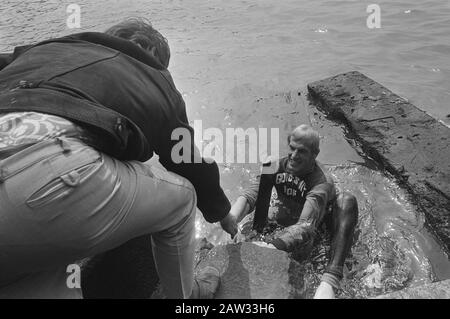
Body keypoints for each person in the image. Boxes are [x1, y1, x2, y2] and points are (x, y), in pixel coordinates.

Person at [0, 18, 237, 298]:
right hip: (50, 171)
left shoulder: (45, 49)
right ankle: (187, 298)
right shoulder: (151, 73)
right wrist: (222, 212)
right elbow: (184, 156)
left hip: (17, 205)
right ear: (146, 48)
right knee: (183, 199)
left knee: (40, 279)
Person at [227, 124, 358, 299]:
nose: (294, 156)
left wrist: (269, 246)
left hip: (317, 223)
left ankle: (331, 280)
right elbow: (251, 195)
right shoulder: (275, 165)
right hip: (288, 219)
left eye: (302, 151)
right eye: (292, 148)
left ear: (315, 154)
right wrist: (232, 218)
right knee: (255, 228)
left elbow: (306, 225)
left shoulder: (321, 182)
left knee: (347, 201)